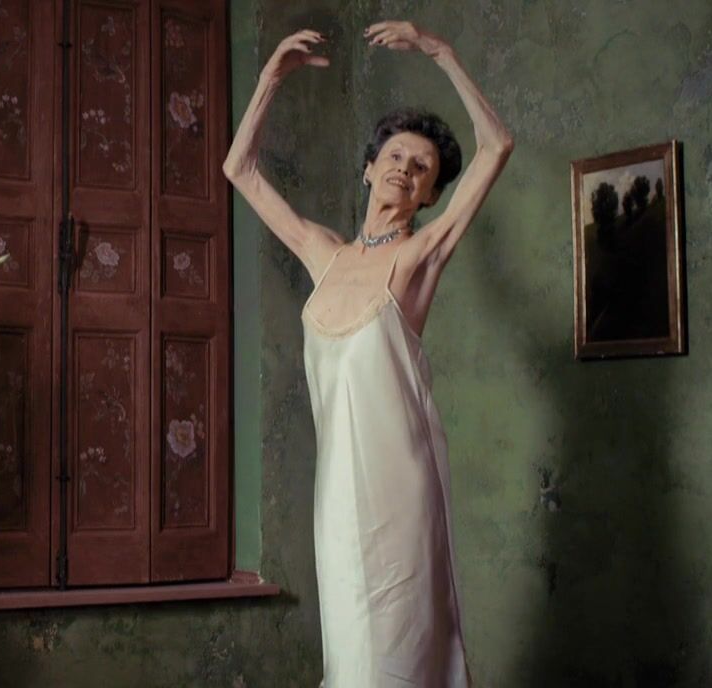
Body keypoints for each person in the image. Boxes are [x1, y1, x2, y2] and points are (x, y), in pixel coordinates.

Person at [223, 21, 513, 687]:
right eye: (395, 156)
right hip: (336, 494)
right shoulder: (323, 254)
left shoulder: (421, 255)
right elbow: (239, 169)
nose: (405, 169)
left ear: (431, 195)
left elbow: (497, 145)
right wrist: (269, 78)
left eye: (422, 168)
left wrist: (441, 51)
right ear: (368, 169)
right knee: (352, 650)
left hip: (399, 490)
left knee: (401, 649)